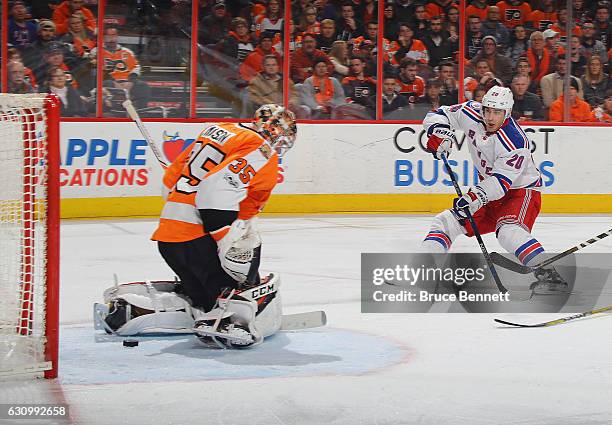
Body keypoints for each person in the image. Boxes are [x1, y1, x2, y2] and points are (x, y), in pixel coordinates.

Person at [103, 105, 297, 347]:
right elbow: (215, 192)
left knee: (203, 302)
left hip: (169, 237)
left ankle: (140, 311)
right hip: (197, 237)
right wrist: (224, 237)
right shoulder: (261, 151)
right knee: (243, 280)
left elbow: (169, 182)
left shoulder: (219, 130)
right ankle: (234, 321)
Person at [421, 85, 568, 294]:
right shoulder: (470, 112)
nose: (490, 117)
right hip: (486, 192)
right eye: (487, 110)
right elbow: (438, 114)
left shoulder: (515, 141)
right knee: (445, 222)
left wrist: (474, 197)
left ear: (506, 113)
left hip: (520, 192)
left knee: (508, 232)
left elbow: (500, 183)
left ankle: (550, 276)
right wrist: (441, 134)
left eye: (497, 112)